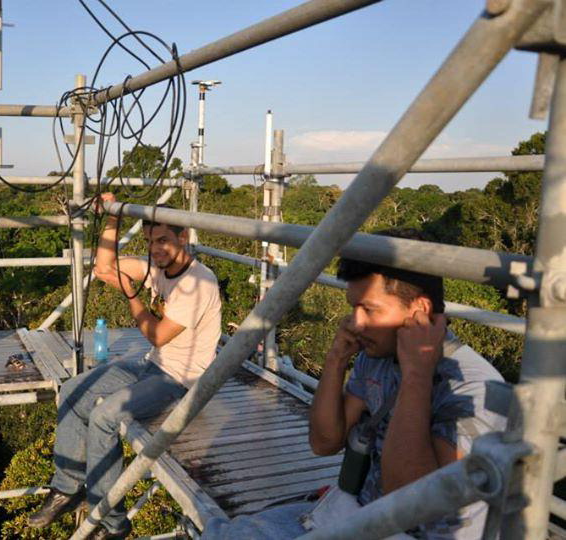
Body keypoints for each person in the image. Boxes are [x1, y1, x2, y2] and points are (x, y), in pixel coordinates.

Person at [202, 244, 505, 540]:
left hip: (407, 529)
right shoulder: (378, 355)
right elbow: (324, 442)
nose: (356, 324)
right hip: (359, 512)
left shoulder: (473, 387)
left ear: (420, 311)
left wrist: (416, 374)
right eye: (353, 308)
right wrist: (336, 359)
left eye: (369, 309)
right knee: (223, 532)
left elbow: (412, 502)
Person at [27, 193, 222, 539]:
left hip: (183, 381)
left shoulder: (198, 283)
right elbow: (104, 268)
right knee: (73, 390)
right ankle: (67, 488)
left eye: (162, 240)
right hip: (153, 367)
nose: (155, 249)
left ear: (183, 237)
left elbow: (158, 335)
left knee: (104, 417)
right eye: (149, 241)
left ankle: (112, 522)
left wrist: (131, 294)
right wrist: (113, 216)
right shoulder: (159, 267)